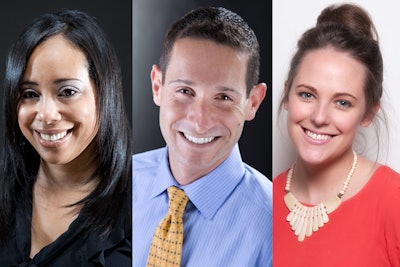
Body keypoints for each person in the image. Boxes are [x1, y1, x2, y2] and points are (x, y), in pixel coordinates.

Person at [132, 6, 272, 266]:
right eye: (185, 91)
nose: (200, 121)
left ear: (252, 102)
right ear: (157, 86)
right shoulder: (113, 184)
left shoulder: (276, 230)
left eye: (223, 97)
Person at [0, 9, 132, 266]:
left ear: (104, 92)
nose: (46, 115)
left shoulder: (143, 208)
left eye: (67, 91)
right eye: (29, 94)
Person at [273, 3, 400, 266]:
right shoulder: (262, 197)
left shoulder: (393, 200)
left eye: (342, 102)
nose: (319, 117)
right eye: (307, 95)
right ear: (287, 95)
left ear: (368, 114)